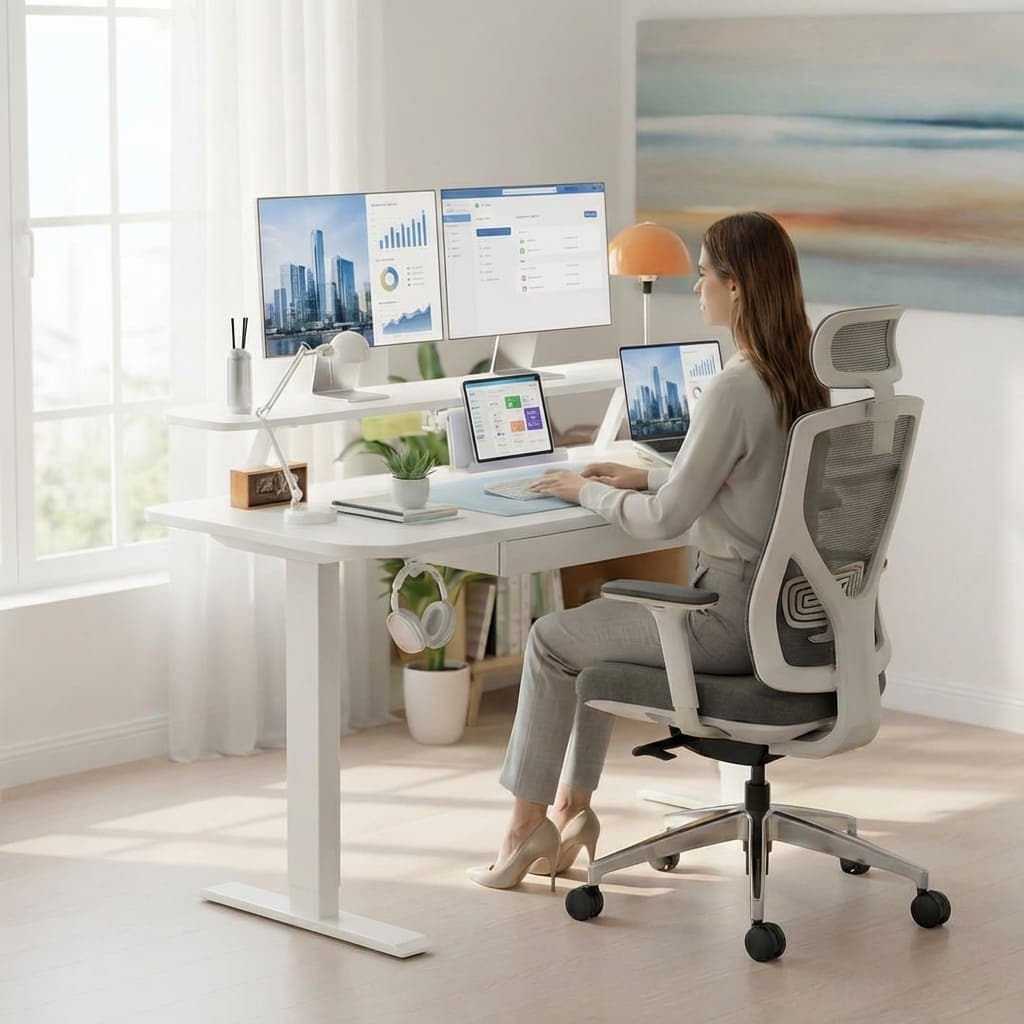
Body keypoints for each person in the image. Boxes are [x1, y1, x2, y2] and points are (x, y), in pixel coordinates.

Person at [468, 211, 831, 891]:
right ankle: (573, 813)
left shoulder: (732, 387)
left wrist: (586, 492)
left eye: (702, 275)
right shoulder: (801, 381)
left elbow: (665, 521)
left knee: (552, 640)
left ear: (738, 288)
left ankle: (526, 829)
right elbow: (743, 486)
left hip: (725, 625)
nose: (696, 289)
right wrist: (642, 474)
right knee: (588, 631)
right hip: (790, 619)